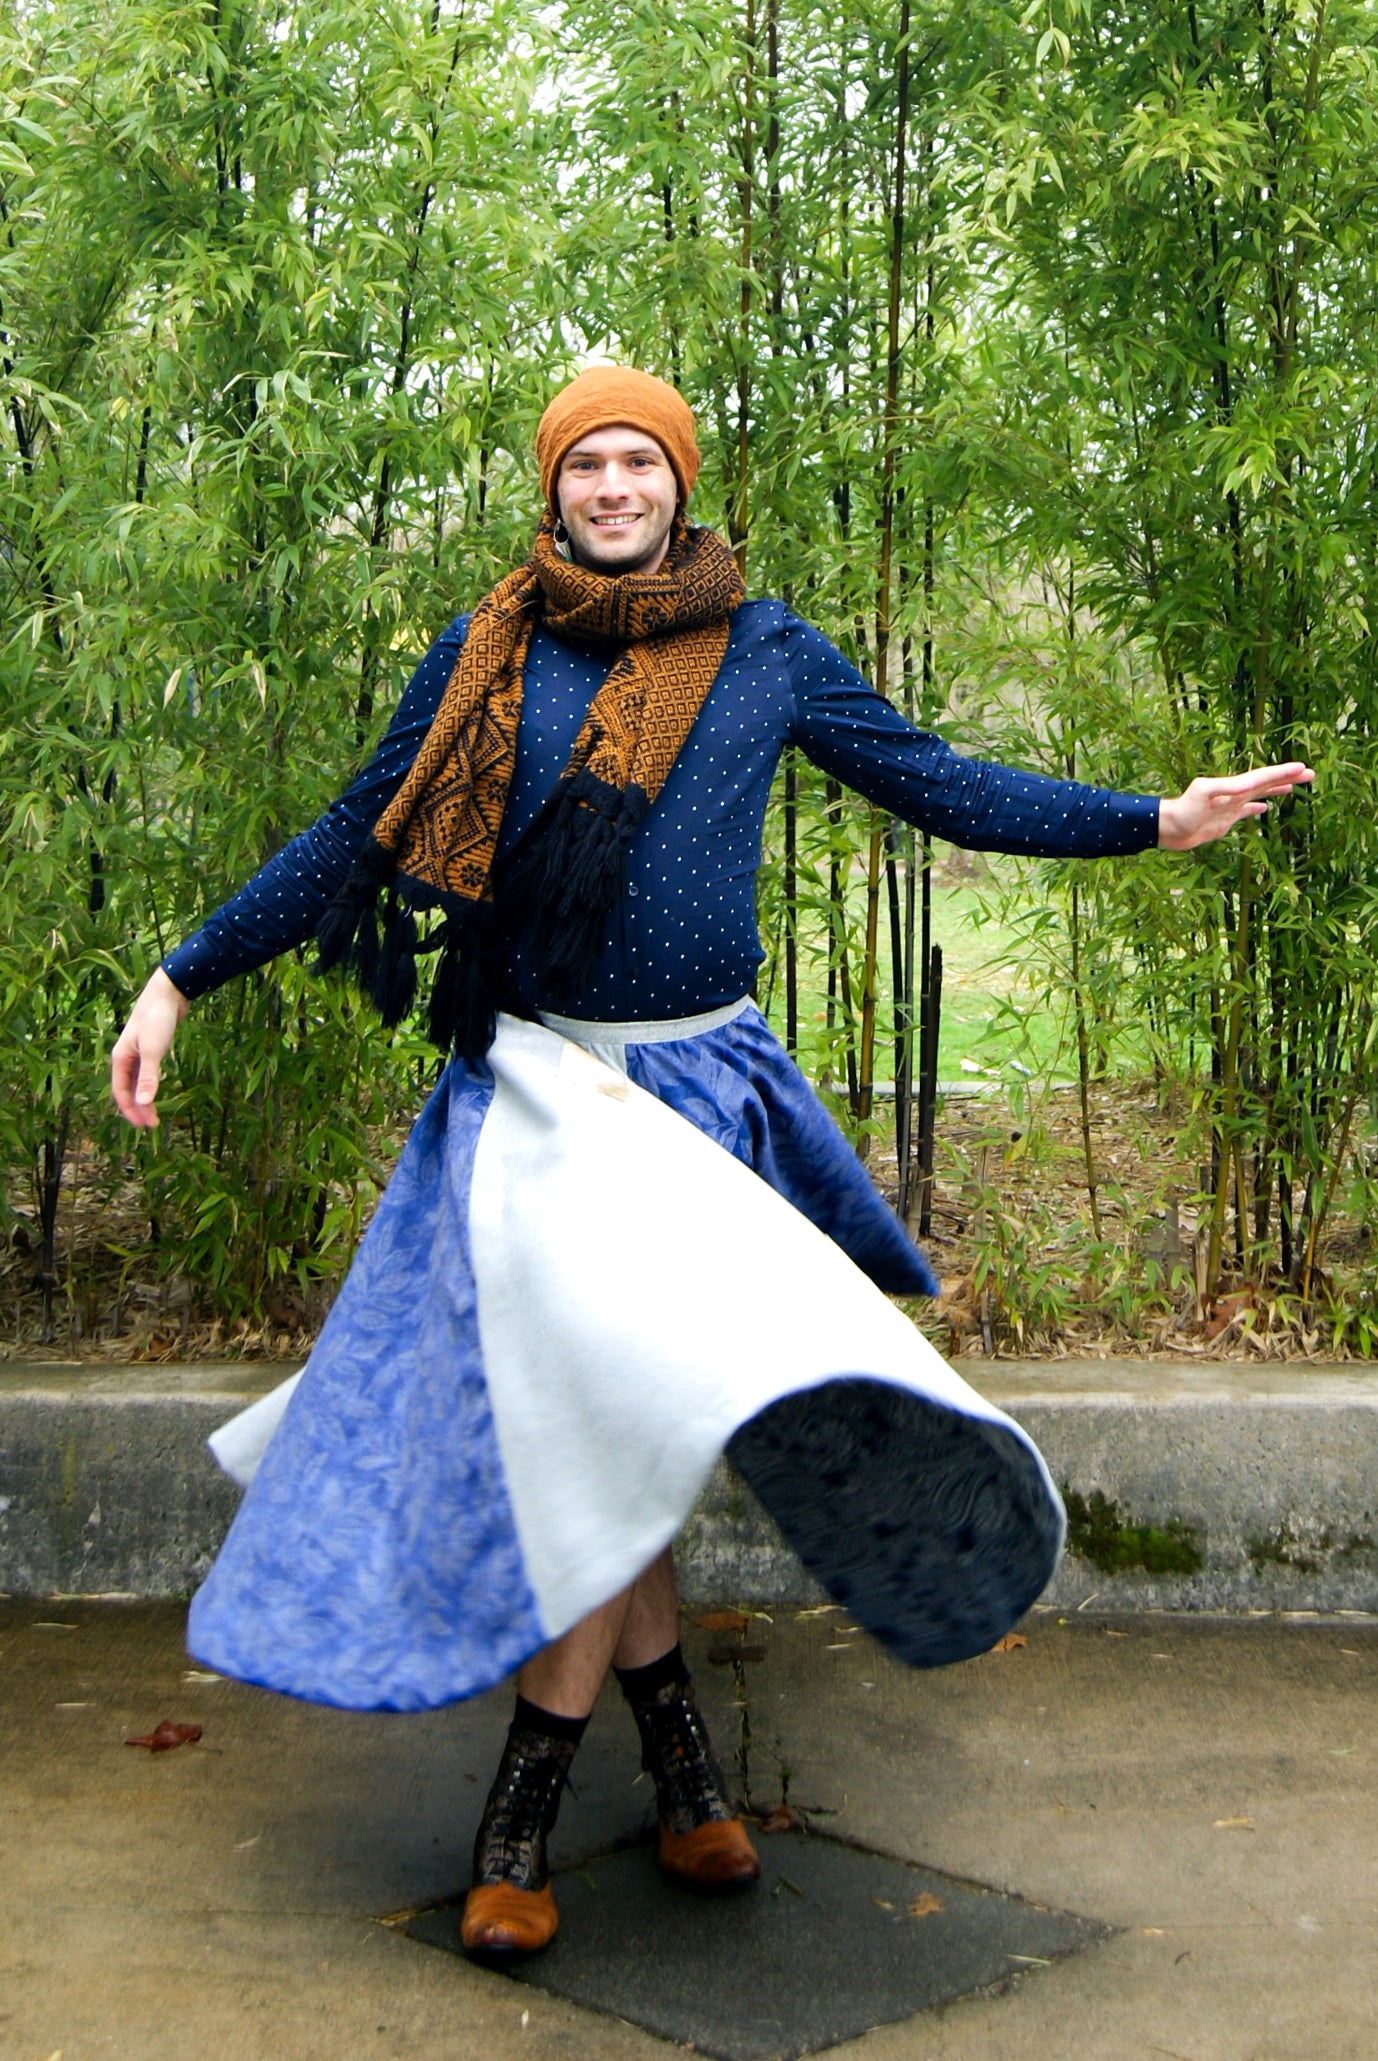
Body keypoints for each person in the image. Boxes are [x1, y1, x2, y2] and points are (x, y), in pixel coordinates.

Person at [111, 366, 1312, 1959]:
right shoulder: (489, 650)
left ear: (680, 480)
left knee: (627, 1431)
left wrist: (1149, 820)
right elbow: (357, 833)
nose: (615, 487)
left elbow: (935, 778)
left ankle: (616, 1789)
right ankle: (602, 1799)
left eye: (641, 461)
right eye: (587, 464)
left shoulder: (762, 651)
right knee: (609, 1433)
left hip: (703, 1100)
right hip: (533, 1102)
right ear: (553, 489)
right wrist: (181, 974)